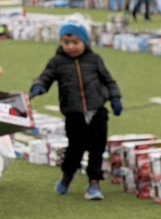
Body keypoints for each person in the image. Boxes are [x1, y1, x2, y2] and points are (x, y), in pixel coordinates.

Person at [27, 21, 123, 200]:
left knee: (97, 149)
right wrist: (38, 87)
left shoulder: (95, 60)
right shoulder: (57, 62)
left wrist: (115, 98)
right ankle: (67, 176)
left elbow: (109, 81)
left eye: (75, 42)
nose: (71, 47)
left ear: (85, 42)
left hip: (97, 112)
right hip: (74, 114)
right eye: (66, 42)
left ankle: (94, 182)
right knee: (74, 150)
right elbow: (45, 78)